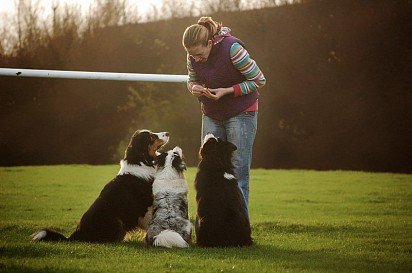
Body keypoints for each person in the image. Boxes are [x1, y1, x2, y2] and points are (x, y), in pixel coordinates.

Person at [182, 16, 266, 218]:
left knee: (237, 171)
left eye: (200, 54)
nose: (196, 59)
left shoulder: (232, 49)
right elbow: (191, 80)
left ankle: (240, 228)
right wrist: (195, 88)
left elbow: (259, 80)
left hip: (242, 112)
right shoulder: (193, 55)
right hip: (211, 113)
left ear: (210, 43)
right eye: (192, 56)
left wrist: (227, 91)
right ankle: (207, 226)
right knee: (208, 169)